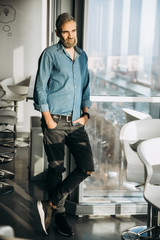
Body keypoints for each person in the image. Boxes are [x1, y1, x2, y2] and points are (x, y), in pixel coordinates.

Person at [33, 12, 94, 237]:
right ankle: (59, 217)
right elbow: (40, 87)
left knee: (86, 166)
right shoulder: (49, 54)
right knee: (56, 169)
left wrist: (86, 115)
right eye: (66, 31)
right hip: (55, 121)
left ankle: (50, 203)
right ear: (58, 33)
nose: (70, 35)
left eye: (73, 30)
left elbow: (86, 87)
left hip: (77, 121)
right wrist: (48, 118)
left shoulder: (82, 56)